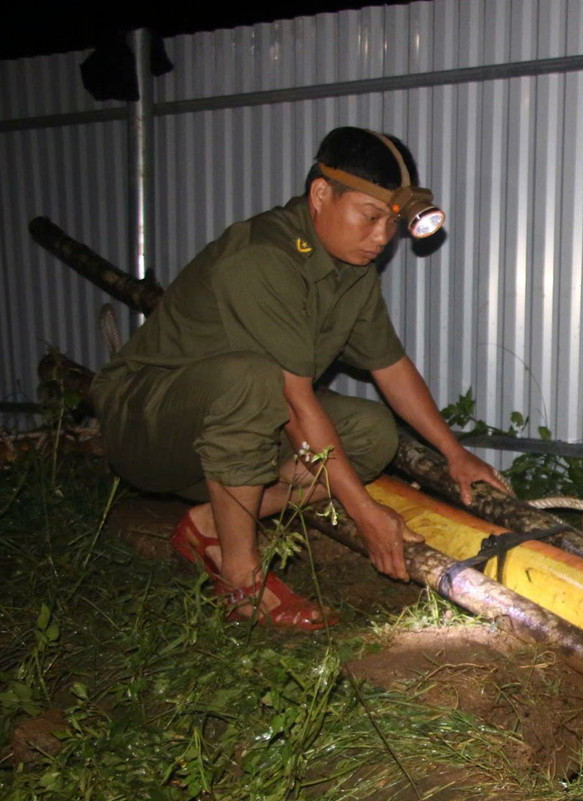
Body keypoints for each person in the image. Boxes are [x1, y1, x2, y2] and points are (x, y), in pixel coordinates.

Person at [90, 127, 509, 631]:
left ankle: (209, 522)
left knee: (372, 434)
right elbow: (291, 399)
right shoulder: (263, 257)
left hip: (221, 445)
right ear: (320, 195)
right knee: (255, 380)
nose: (382, 238)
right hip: (146, 426)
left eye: (392, 224)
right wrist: (364, 512)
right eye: (371, 217)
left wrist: (453, 452)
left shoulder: (351, 271)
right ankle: (241, 579)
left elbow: (390, 367)